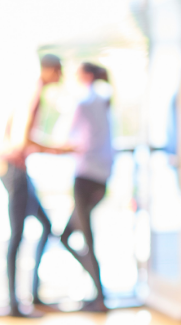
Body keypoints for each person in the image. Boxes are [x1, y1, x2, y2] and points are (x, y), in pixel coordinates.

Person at [0, 53, 70, 317]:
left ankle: (32, 296)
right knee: (17, 235)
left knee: (46, 226)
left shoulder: (31, 91)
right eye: (60, 71)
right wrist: (57, 150)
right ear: (50, 70)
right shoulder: (34, 94)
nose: (61, 77)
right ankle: (14, 304)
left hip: (17, 169)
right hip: (14, 169)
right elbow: (23, 140)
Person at [61, 62, 115, 312]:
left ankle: (100, 296)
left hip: (85, 177)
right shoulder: (105, 99)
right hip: (102, 176)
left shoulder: (84, 102)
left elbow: (69, 138)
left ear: (87, 75)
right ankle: (99, 291)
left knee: (83, 237)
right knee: (70, 235)